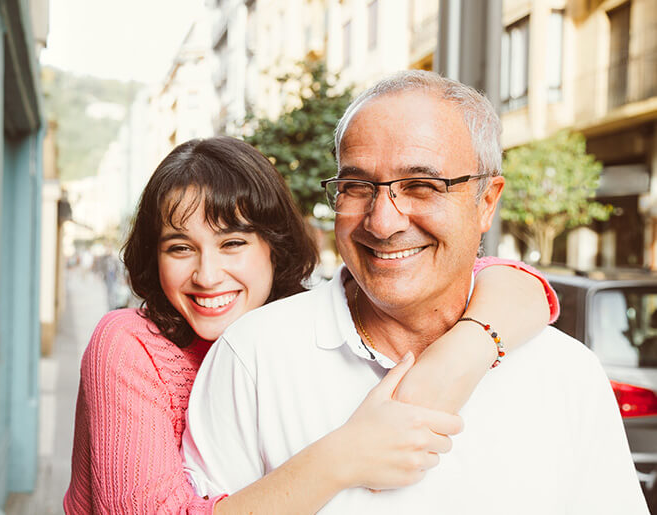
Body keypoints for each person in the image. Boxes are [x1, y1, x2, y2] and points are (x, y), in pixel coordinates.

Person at [182, 73, 649, 514]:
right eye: (357, 186)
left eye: (422, 186)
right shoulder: (254, 358)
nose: (383, 222)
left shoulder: (565, 374)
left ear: (487, 201)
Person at [64, 136, 556, 514]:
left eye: (232, 243)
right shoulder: (128, 344)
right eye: (179, 247)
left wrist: (465, 350)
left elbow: (502, 278)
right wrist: (344, 455)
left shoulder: (291, 332)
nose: (206, 275)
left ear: (273, 246)